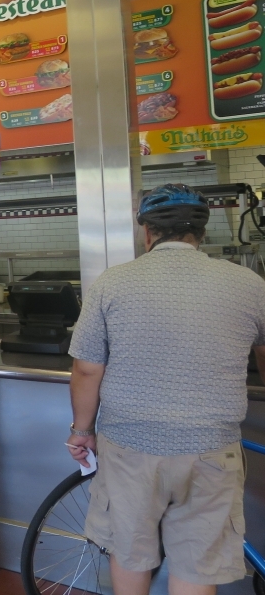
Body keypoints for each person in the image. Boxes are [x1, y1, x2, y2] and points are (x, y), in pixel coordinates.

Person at [67, 184, 265, 595]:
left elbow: (87, 370)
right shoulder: (249, 284)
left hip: (128, 447)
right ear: (201, 233)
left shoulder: (112, 283)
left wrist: (82, 430)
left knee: (130, 551)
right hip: (212, 446)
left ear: (148, 233)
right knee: (196, 565)